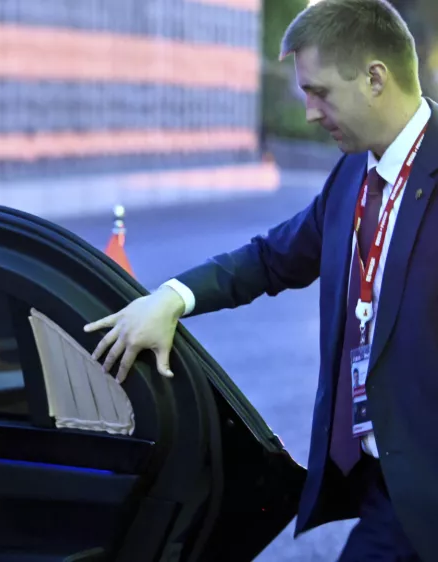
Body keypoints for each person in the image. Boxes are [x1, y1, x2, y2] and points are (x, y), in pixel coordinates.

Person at [84, 1, 437, 560]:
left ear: (375, 77)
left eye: (319, 92)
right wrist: (171, 299)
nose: (310, 113)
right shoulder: (353, 172)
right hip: (378, 478)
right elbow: (272, 259)